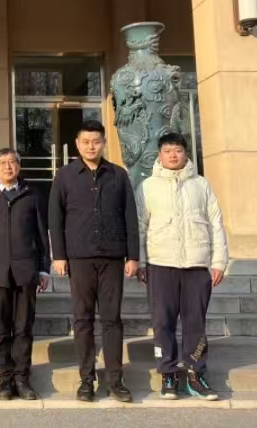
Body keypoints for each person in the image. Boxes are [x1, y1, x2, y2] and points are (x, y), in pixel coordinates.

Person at [49, 119, 138, 403]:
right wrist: (59, 255)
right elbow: (55, 218)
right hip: (79, 258)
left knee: (112, 320)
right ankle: (87, 380)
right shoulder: (65, 176)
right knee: (83, 319)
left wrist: (133, 256)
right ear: (77, 144)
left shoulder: (118, 175)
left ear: (103, 143)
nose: (91, 146)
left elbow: (130, 218)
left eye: (96, 141)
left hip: (112, 257)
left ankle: (115, 380)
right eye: (86, 142)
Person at [135, 132, 228, 401]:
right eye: (167, 151)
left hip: (196, 265)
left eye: (177, 150)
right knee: (162, 322)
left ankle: (196, 374)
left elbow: (216, 223)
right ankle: (168, 373)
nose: (173, 155)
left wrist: (219, 261)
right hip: (160, 264)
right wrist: (140, 261)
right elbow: (140, 226)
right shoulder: (147, 186)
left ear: (186, 153)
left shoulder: (201, 184)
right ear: (159, 155)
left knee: (195, 323)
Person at [0, 148, 50, 402]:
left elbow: (42, 234)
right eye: (3, 163)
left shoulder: (32, 195)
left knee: (23, 327)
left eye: (13, 162)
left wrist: (44, 268)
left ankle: (22, 378)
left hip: (26, 271)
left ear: (19, 166)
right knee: (0, 329)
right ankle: (4, 380)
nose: (8, 167)